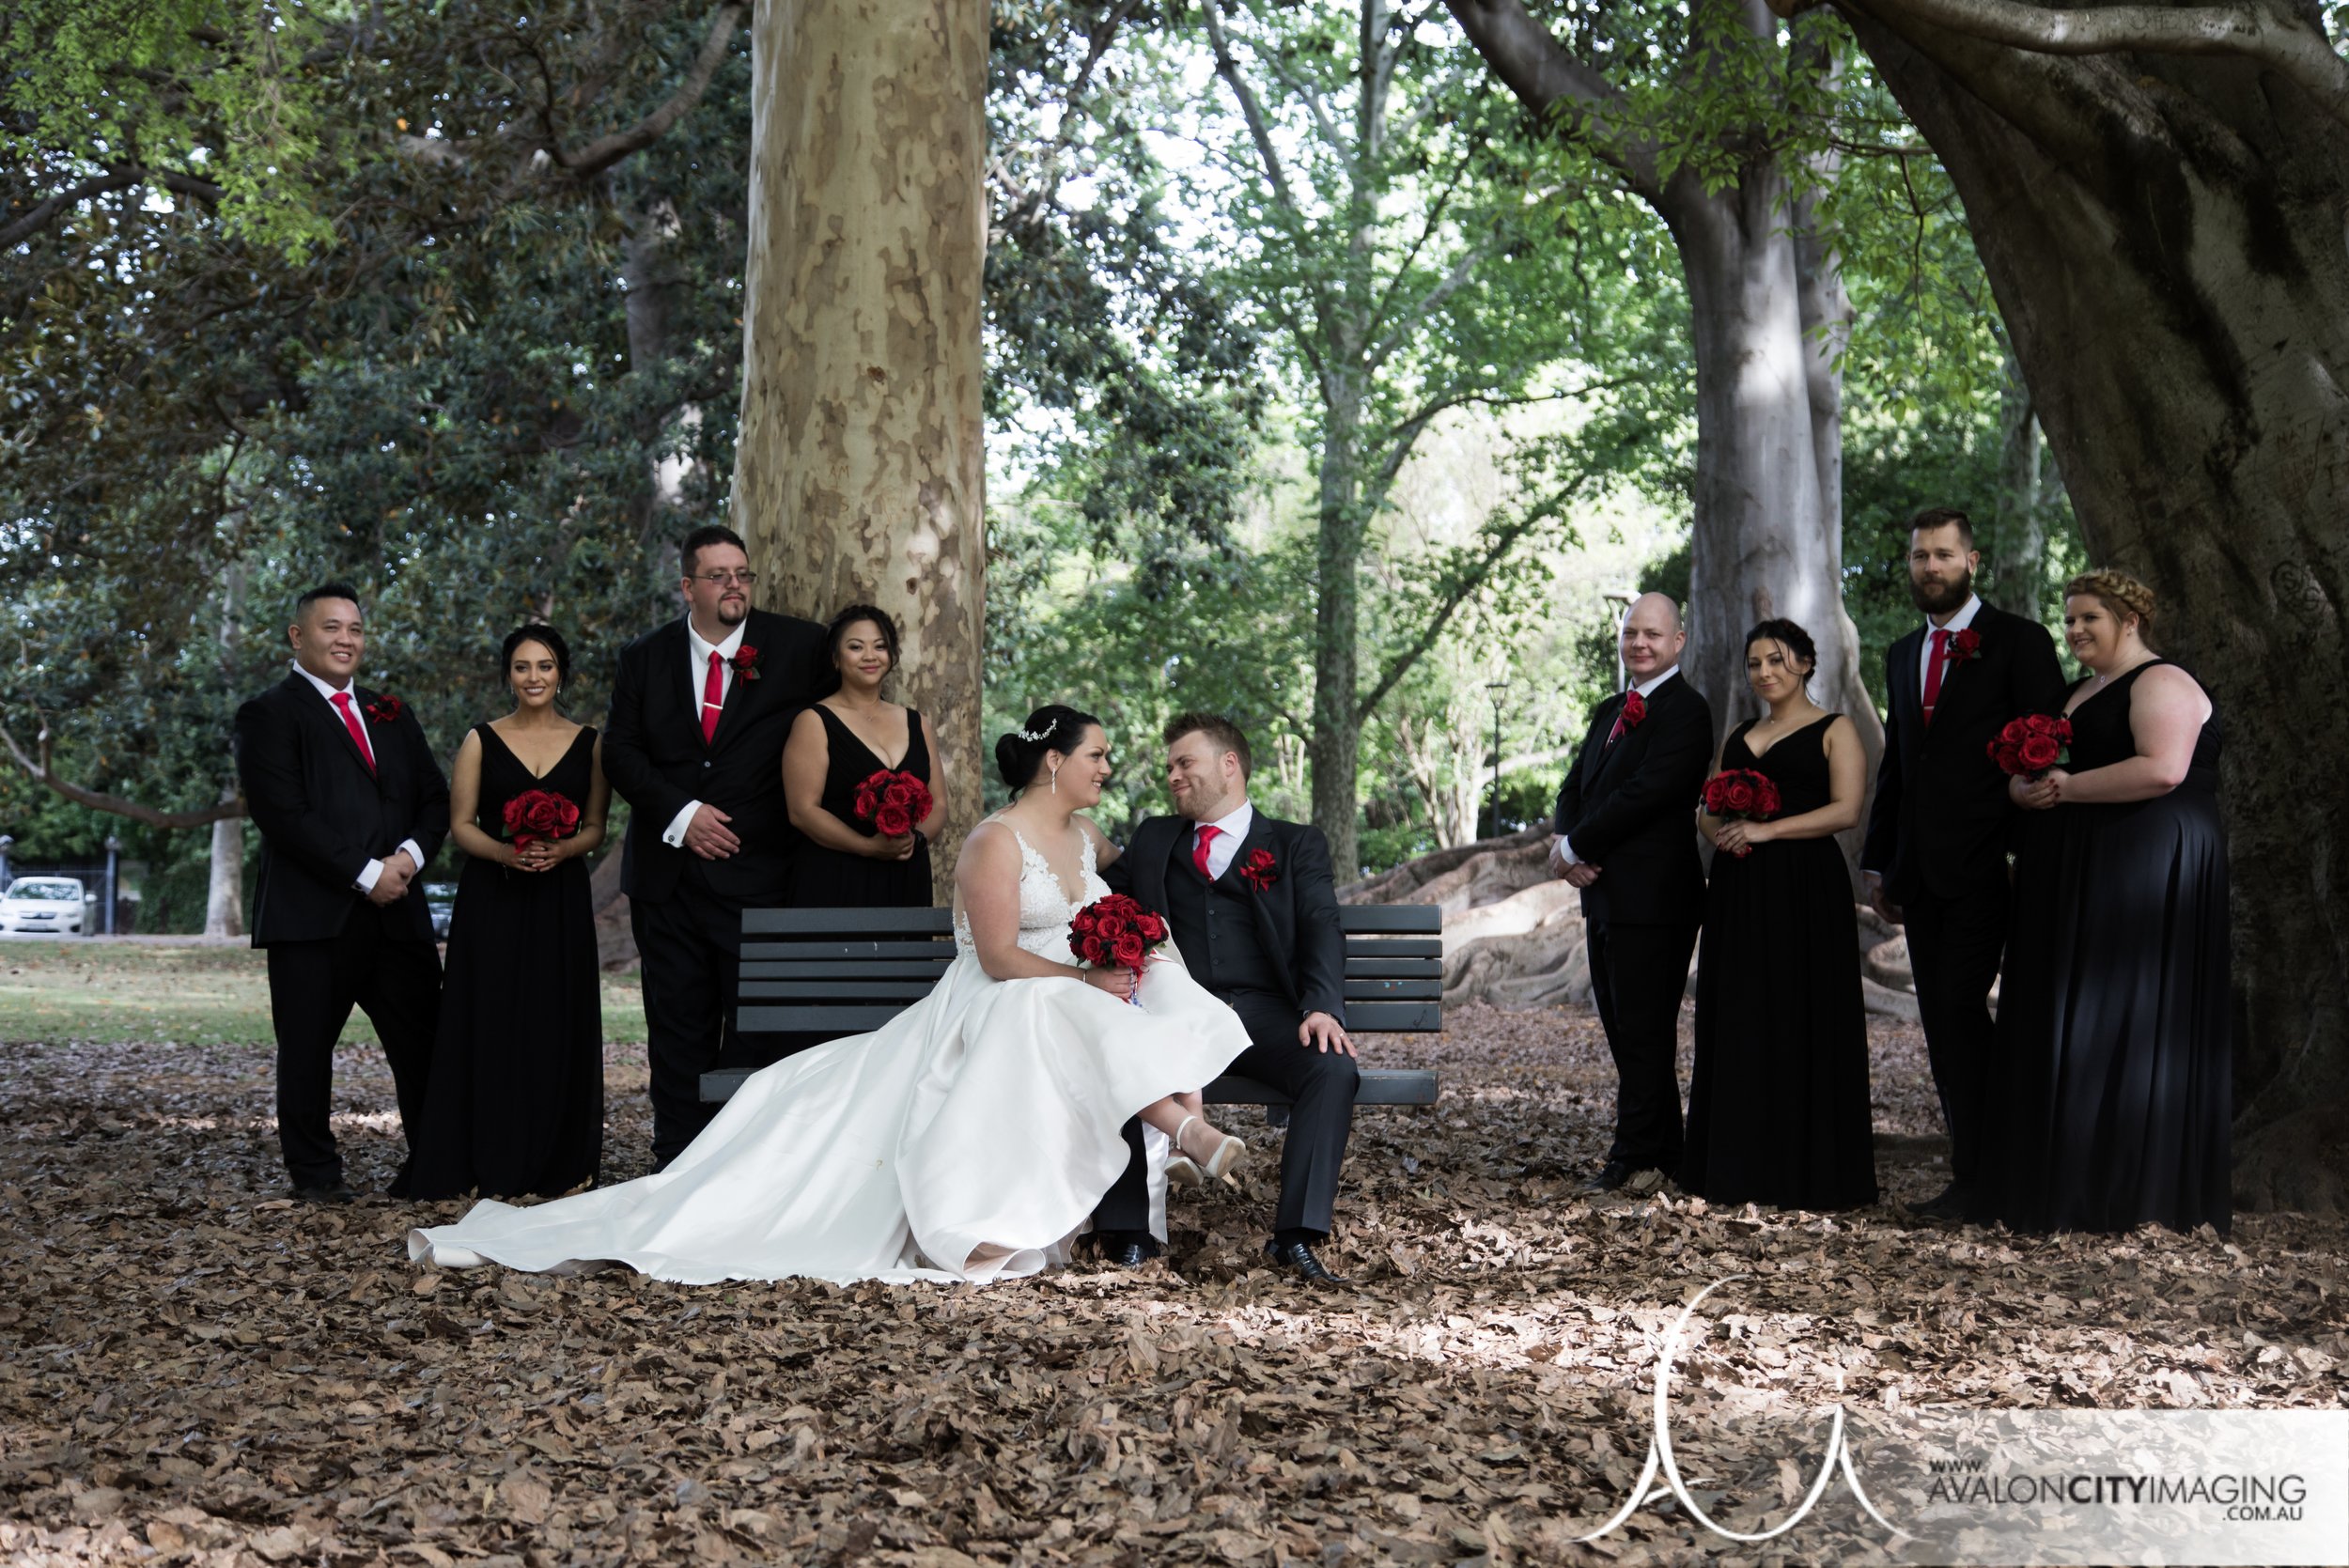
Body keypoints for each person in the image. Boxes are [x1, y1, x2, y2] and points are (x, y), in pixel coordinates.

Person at [407, 706, 1255, 1283]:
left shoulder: (1089, 836)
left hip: (1063, 996)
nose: (1110, 766)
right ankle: (1171, 1130)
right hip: (997, 996)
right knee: (1064, 1003)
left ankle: (1181, 1119)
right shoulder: (992, 842)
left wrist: (1130, 948)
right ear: (1053, 760)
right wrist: (1086, 974)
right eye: (1099, 753)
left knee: (1151, 979)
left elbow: (1106, 912)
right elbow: (998, 956)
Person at [1989, 571, 2231, 1234]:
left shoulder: (2162, 682)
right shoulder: (2077, 691)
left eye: (2089, 618)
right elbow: (2033, 777)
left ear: (2130, 619)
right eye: (2069, 620)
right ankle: (2064, 1180)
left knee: (2127, 1009)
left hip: (2147, 866)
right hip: (2078, 868)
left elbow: (2164, 768)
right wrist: (2025, 791)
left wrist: (2064, 791)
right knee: (2075, 1009)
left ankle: (2127, 1191)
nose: (2074, 631)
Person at [600, 525, 832, 1170]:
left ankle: (748, 1164)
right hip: (667, 881)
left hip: (761, 879)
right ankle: (673, 1163)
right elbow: (619, 751)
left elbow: (830, 732)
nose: (735, 585)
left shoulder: (798, 647)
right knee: (676, 1031)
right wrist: (682, 813)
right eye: (718, 575)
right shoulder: (642, 657)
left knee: (762, 1028)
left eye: (742, 574)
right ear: (687, 587)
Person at [1097, 713, 1355, 1283]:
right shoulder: (1154, 838)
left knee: (1331, 1070)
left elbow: (1319, 923)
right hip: (1173, 1010)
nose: (1172, 776)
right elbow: (1095, 886)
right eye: (1169, 767)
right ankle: (1129, 1233)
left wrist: (1322, 1006)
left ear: (1229, 765)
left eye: (1184, 763)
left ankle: (1296, 1236)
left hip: (1262, 1013)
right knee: (1111, 1048)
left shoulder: (1293, 843)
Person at [1860, 508, 2067, 1219]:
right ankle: (1976, 1171)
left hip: (1990, 866)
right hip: (1920, 873)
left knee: (1956, 1007)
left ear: (1972, 561)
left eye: (1943, 555)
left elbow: (2048, 745)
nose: (1929, 568)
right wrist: (1881, 860)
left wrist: (2019, 850)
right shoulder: (1899, 654)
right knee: (1943, 1023)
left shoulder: (2020, 641)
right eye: (1920, 556)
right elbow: (1901, 764)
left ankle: (1999, 1168)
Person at [234, 583, 449, 1202]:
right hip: (312, 918)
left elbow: (434, 798)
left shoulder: (392, 713)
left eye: (354, 628)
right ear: (299, 637)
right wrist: (364, 872)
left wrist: (405, 860)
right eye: (332, 627)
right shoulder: (268, 714)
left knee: (424, 1046)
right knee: (305, 1053)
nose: (346, 639)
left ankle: (431, 1164)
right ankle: (318, 1177)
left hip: (397, 917)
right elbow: (284, 814)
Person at [396, 626, 609, 1201]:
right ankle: (482, 1150)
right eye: (521, 667)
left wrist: (563, 849)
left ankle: (557, 1157)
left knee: (553, 1017)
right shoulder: (480, 740)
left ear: (561, 673)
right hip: (494, 898)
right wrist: (506, 854)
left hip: (560, 899)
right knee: (488, 1016)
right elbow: (461, 823)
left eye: (544, 666)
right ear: (507, 675)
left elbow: (596, 825)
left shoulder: (590, 742)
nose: (533, 677)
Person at [1681, 619, 1877, 1211]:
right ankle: (1738, 1165)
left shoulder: (1836, 728)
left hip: (1806, 888)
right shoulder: (1739, 733)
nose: (1765, 672)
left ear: (1807, 663)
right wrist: (1724, 834)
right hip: (1739, 889)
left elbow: (1845, 811)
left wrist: (1768, 832)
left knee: (1803, 1009)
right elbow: (1706, 806)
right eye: (1755, 664)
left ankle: (1808, 1170)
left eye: (1777, 661)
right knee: (1742, 1010)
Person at [1548, 592, 1714, 1194]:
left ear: (1678, 642)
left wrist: (1578, 848)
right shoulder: (1610, 710)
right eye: (1630, 633)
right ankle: (1665, 1148)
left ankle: (1632, 1153)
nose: (1639, 644)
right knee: (1623, 1029)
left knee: (1645, 1029)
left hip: (1656, 900)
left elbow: (1646, 794)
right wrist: (1569, 839)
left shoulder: (1687, 712)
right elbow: (1576, 785)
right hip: (1604, 896)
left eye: (1652, 634)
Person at [781, 604, 946, 908]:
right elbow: (802, 811)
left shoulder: (916, 722)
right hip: (837, 877)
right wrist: (867, 847)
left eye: (880, 646)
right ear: (835, 657)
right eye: (856, 647)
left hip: (905, 875)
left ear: (891, 656)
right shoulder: (814, 721)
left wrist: (914, 841)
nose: (870, 656)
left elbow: (939, 803)